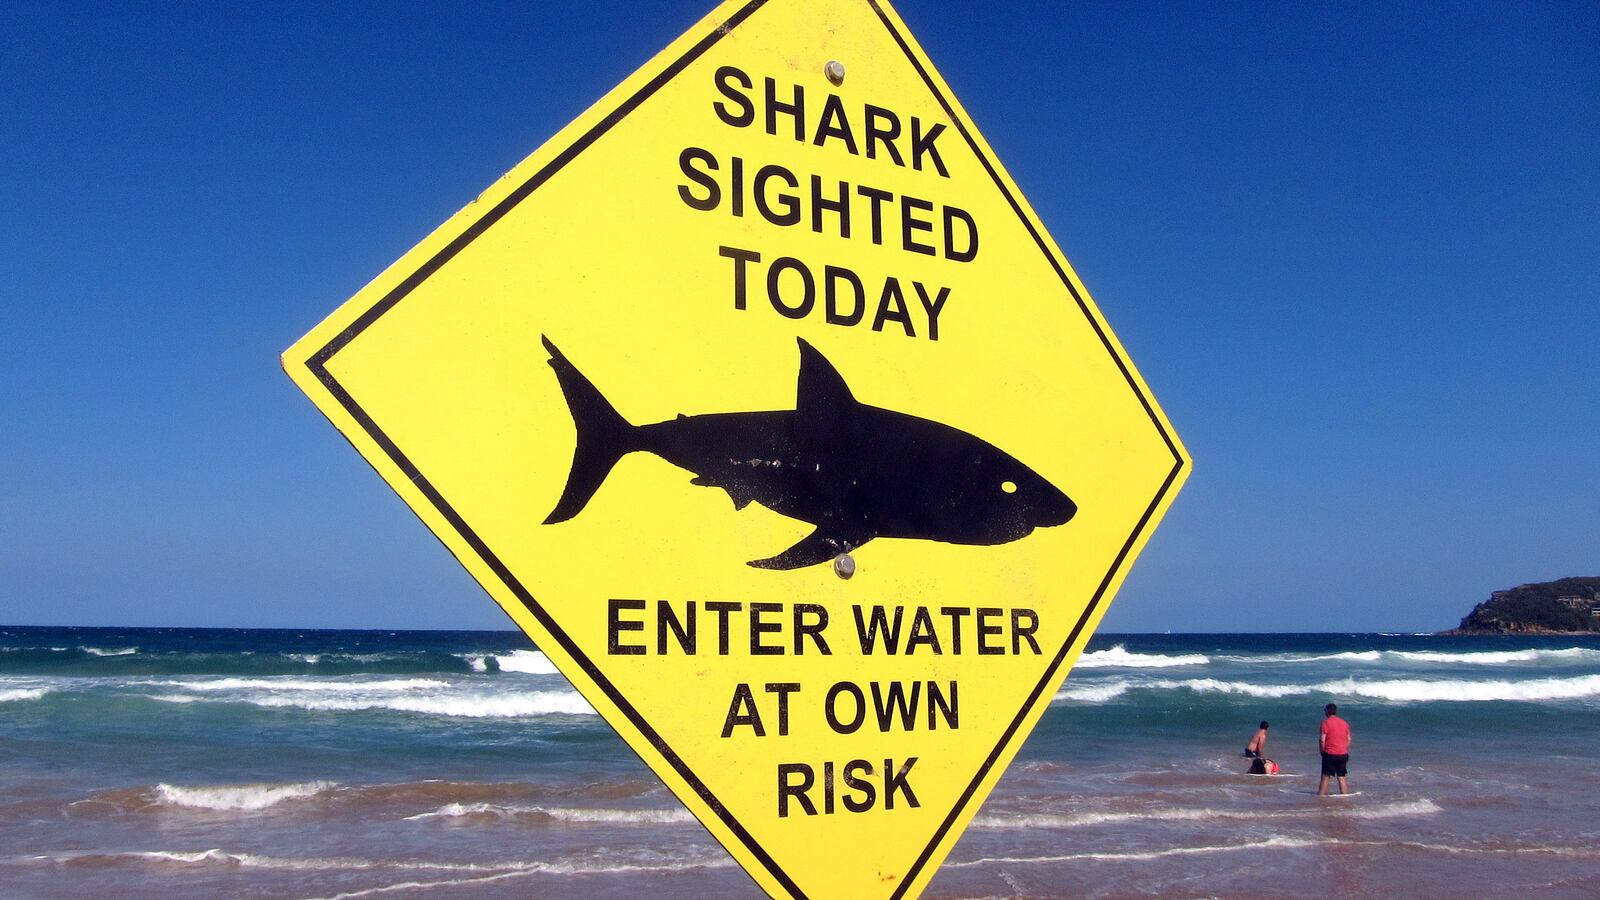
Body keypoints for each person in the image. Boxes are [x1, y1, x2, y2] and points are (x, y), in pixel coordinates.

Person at [1318, 702, 1352, 795]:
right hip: (1342, 754)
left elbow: (1322, 740)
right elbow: (1349, 739)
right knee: (1341, 777)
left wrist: (1322, 751)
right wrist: (1343, 748)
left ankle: (1321, 798)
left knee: (1325, 777)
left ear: (1327, 711)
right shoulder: (1345, 723)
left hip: (1330, 754)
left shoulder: (1325, 723)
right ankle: (1344, 797)